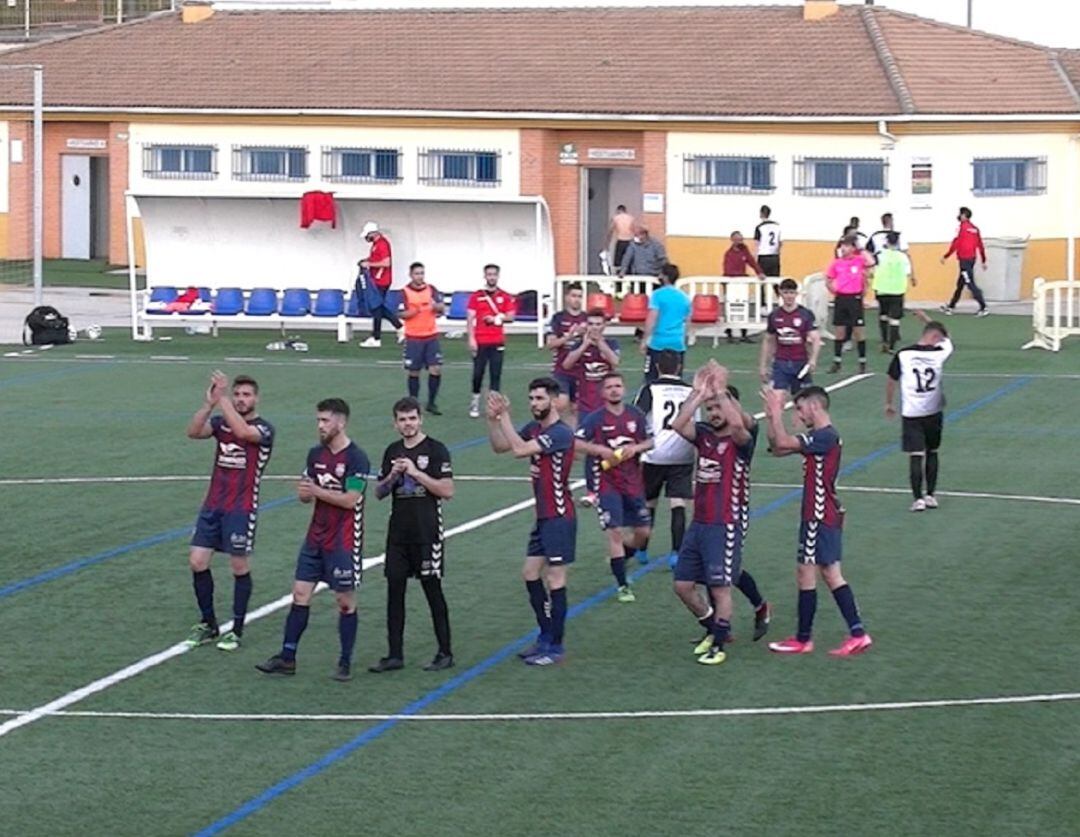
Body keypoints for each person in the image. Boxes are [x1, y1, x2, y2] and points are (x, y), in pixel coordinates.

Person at [256, 399, 370, 680]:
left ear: (341, 423)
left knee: (344, 601)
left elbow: (351, 500)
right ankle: (287, 657)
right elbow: (306, 493)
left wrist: (316, 491)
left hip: (343, 541)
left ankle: (344, 662)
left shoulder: (357, 458)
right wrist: (305, 493)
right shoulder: (314, 455)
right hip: (315, 538)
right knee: (300, 594)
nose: (320, 426)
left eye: (325, 421)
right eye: (318, 420)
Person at [761, 386, 872, 657]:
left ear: (814, 407)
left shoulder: (825, 436)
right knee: (822, 573)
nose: (798, 414)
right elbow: (776, 448)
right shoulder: (820, 437)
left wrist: (777, 411)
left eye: (799, 409)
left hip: (818, 515)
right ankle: (851, 633)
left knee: (814, 572)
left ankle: (809, 638)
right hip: (823, 513)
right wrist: (770, 415)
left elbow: (784, 443)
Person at [486, 378, 576, 666]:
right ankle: (545, 635)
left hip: (559, 515)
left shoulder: (560, 433)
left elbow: (520, 450)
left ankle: (556, 646)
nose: (534, 404)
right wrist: (493, 421)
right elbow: (501, 445)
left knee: (555, 578)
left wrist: (506, 416)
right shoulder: (535, 429)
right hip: (544, 516)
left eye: (539, 398)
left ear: (553, 400)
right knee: (530, 573)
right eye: (531, 399)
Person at [670, 361, 754, 666]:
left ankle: (719, 645)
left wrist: (720, 391)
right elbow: (679, 424)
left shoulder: (741, 441)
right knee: (682, 585)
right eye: (710, 409)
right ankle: (712, 627)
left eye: (717, 408)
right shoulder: (703, 434)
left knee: (720, 588)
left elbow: (738, 426)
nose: (713, 413)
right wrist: (697, 394)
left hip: (724, 523)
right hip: (700, 523)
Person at [184, 372, 274, 651]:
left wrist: (222, 400)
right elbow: (193, 432)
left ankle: (236, 629)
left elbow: (245, 433)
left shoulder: (264, 429)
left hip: (241, 508)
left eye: (246, 395)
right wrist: (209, 404)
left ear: (256, 398)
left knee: (238, 566)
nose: (241, 399)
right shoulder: (221, 422)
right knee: (197, 561)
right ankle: (209, 624)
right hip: (213, 505)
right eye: (237, 394)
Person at [371, 397, 455, 672]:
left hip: (427, 532)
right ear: (395, 423)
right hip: (398, 534)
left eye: (412, 418)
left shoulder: (436, 450)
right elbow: (379, 493)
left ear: (421, 419)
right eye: (402, 419)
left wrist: (417, 474)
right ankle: (395, 654)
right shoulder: (392, 451)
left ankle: (445, 652)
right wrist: (393, 476)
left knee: (432, 589)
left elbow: (447, 490)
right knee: (395, 592)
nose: (407, 424)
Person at [574, 372, 653, 602]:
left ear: (624, 389)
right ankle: (622, 585)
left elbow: (650, 440)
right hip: (607, 483)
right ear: (602, 392)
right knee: (615, 531)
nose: (614, 390)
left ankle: (620, 559)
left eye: (618, 386)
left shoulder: (635, 415)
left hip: (633, 482)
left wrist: (635, 449)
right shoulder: (595, 419)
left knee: (643, 533)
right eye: (609, 387)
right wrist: (601, 451)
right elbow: (576, 441)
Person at [885, 310, 954, 512]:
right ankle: (931, 495)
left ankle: (918, 499)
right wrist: (926, 318)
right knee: (932, 452)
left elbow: (891, 379)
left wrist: (888, 403)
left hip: (912, 413)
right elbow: (947, 336)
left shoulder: (904, 355)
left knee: (916, 454)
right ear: (934, 337)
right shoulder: (939, 353)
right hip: (934, 411)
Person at [634, 349, 695, 566]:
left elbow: (637, 417)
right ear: (679, 367)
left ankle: (642, 550)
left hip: (655, 452)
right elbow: (694, 421)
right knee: (677, 503)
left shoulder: (650, 389)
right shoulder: (691, 391)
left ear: (657, 367)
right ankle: (676, 553)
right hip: (683, 452)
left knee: (650, 501)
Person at [562, 308, 620, 506]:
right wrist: (585, 344)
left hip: (609, 406)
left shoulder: (610, 343)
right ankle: (591, 491)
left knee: (611, 446)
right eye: (591, 324)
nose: (595, 328)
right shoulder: (580, 344)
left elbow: (615, 361)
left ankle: (612, 486)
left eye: (598, 324)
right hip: (587, 406)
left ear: (604, 326)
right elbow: (567, 364)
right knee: (589, 449)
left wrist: (600, 343)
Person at [467, 264, 516, 418]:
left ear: (498, 276)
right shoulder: (476, 296)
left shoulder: (505, 296)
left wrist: (497, 318)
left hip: (497, 341)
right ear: (485, 276)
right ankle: (475, 401)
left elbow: (511, 316)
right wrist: (471, 338)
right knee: (477, 374)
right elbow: (470, 318)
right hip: (480, 341)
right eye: (489, 274)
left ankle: (494, 407)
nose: (492, 277)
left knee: (495, 374)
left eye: (494, 274)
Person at [398, 262, 446, 415]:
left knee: (436, 369)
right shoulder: (404, 292)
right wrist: (411, 313)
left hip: (431, 336)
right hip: (414, 337)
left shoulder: (431, 289)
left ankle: (431, 402)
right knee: (414, 371)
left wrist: (436, 307)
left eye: (422, 273)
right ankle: (413, 403)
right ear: (411, 275)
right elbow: (400, 313)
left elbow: (441, 307)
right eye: (417, 273)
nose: (420, 276)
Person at [759, 278, 821, 394]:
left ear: (796, 294)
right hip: (780, 363)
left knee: (803, 400)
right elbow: (768, 341)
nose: (789, 296)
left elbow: (816, 338)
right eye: (786, 292)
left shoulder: (805, 314)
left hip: (800, 363)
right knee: (776, 398)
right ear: (780, 293)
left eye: (792, 293)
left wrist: (813, 359)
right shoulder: (774, 315)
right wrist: (763, 365)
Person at [824, 234, 874, 374]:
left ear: (853, 248)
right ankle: (837, 362)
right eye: (842, 246)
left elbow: (871, 262)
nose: (843, 249)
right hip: (841, 298)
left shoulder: (859, 260)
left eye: (847, 246)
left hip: (855, 298)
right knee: (839, 332)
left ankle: (862, 363)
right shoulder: (836, 263)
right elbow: (828, 279)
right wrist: (833, 290)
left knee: (858, 331)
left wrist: (861, 249)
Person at [546, 282, 588, 427]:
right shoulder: (558, 318)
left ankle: (572, 438)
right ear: (566, 297)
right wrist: (569, 337)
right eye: (574, 296)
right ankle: (552, 431)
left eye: (580, 296)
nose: (577, 299)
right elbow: (550, 344)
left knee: (576, 408)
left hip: (582, 370)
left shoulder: (587, 319)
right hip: (561, 370)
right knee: (561, 403)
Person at [642, 263, 690, 384]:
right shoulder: (684, 297)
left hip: (658, 343)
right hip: (677, 343)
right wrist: (683, 339)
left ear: (665, 277)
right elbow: (687, 322)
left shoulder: (657, 295)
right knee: (675, 381)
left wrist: (645, 340)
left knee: (652, 380)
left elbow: (652, 318)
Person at [358, 221, 402, 348]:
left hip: (381, 280)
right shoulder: (376, 245)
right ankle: (397, 327)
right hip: (376, 280)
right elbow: (375, 259)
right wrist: (367, 261)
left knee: (377, 308)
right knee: (377, 308)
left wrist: (369, 264)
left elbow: (386, 263)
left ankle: (377, 337)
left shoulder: (382, 244)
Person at [940, 207, 989, 317]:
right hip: (971, 259)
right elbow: (980, 245)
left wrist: (946, 256)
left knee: (970, 284)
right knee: (960, 284)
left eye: (960, 214)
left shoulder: (962, 228)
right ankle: (951, 306)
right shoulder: (975, 229)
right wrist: (983, 260)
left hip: (964, 260)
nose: (958, 216)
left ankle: (983, 307)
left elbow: (956, 243)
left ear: (963, 215)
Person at [873, 232, 916, 354]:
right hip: (897, 290)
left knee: (883, 315)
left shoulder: (880, 255)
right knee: (895, 319)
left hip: (881, 289)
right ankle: (891, 346)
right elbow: (907, 272)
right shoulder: (903, 257)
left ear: (886, 242)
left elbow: (873, 270)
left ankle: (884, 341)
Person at [722, 231, 767, 344]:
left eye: (741, 239)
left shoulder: (744, 250)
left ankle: (743, 333)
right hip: (731, 283)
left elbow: (752, 262)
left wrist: (759, 272)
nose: (740, 241)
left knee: (744, 306)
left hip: (742, 283)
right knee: (730, 307)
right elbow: (727, 270)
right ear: (732, 240)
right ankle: (729, 332)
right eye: (738, 239)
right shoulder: (729, 254)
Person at [753, 205, 782, 279]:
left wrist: (755, 257)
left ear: (761, 214)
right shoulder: (777, 226)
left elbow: (757, 244)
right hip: (774, 256)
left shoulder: (760, 227)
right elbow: (780, 242)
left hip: (763, 256)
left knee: (762, 280)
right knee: (775, 280)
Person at [607, 204, 636, 271]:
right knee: (629, 261)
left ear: (618, 210)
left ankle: (619, 275)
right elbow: (634, 230)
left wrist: (607, 243)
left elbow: (610, 231)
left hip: (621, 240)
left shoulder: (615, 218)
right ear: (625, 210)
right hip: (630, 241)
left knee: (618, 262)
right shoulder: (631, 218)